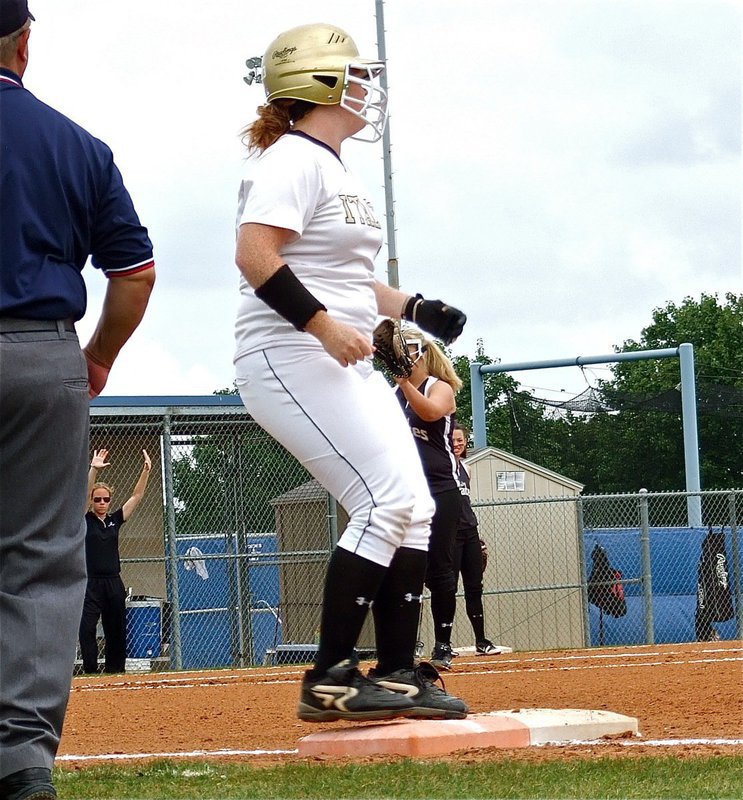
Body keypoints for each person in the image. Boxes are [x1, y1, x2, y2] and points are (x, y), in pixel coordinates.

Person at [234, 22, 468, 723]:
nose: (367, 87)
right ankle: (329, 678)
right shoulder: (292, 159)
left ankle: (395, 672)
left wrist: (416, 307)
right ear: (318, 82)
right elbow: (255, 254)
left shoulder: (335, 167)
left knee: (416, 506)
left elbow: (348, 277)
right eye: (355, 75)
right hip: (289, 356)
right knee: (383, 500)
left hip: (340, 357)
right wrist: (320, 324)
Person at [0, 3, 155, 796]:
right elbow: (134, 274)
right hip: (39, 354)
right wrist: (97, 357)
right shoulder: (76, 144)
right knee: (35, 560)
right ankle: (22, 759)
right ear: (24, 43)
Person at [395, 329, 463, 671]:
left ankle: (443, 644)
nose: (401, 357)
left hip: (441, 488)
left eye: (406, 351)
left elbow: (431, 412)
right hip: (407, 489)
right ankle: (405, 646)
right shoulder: (394, 392)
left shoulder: (439, 387)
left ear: (421, 354)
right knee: (406, 567)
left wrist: (404, 384)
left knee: (440, 568)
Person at [79, 449, 152, 674]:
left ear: (110, 501)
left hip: (113, 582)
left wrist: (146, 472)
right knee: (86, 628)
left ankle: (114, 671)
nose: (101, 502)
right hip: (90, 583)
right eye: (97, 499)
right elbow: (83, 496)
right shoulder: (84, 519)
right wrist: (93, 469)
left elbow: (136, 497)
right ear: (92, 501)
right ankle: (91, 671)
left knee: (116, 630)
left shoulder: (114, 520)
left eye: (106, 499)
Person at [451, 423, 501, 655]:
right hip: (449, 534)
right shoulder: (438, 468)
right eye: (452, 440)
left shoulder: (466, 468)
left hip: (470, 531)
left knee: (474, 587)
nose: (456, 444)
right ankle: (443, 644)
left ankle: (481, 640)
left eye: (460, 440)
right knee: (447, 589)